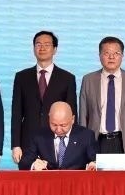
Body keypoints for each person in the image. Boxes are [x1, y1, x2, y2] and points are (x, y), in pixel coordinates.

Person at [10, 30, 78, 166]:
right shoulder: (21, 77)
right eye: (38, 44)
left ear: (55, 49)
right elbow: (16, 113)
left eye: (47, 45)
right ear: (33, 48)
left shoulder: (67, 78)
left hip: (57, 140)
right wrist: (15, 145)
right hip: (28, 142)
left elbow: (72, 113)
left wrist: (72, 144)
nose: (42, 48)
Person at [78, 36, 125, 160]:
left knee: (123, 173)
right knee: (96, 173)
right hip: (96, 140)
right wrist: (82, 143)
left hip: (124, 141)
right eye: (107, 53)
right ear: (99, 56)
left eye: (116, 53)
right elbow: (83, 115)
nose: (111, 57)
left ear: (122, 56)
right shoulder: (88, 80)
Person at [20, 101, 97, 170]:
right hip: (48, 180)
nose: (58, 130)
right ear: (49, 118)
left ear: (72, 119)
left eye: (63, 125)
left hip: (76, 180)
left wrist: (93, 165)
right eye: (54, 125)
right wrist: (34, 165)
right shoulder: (38, 136)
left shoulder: (86, 136)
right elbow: (24, 163)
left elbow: (95, 160)